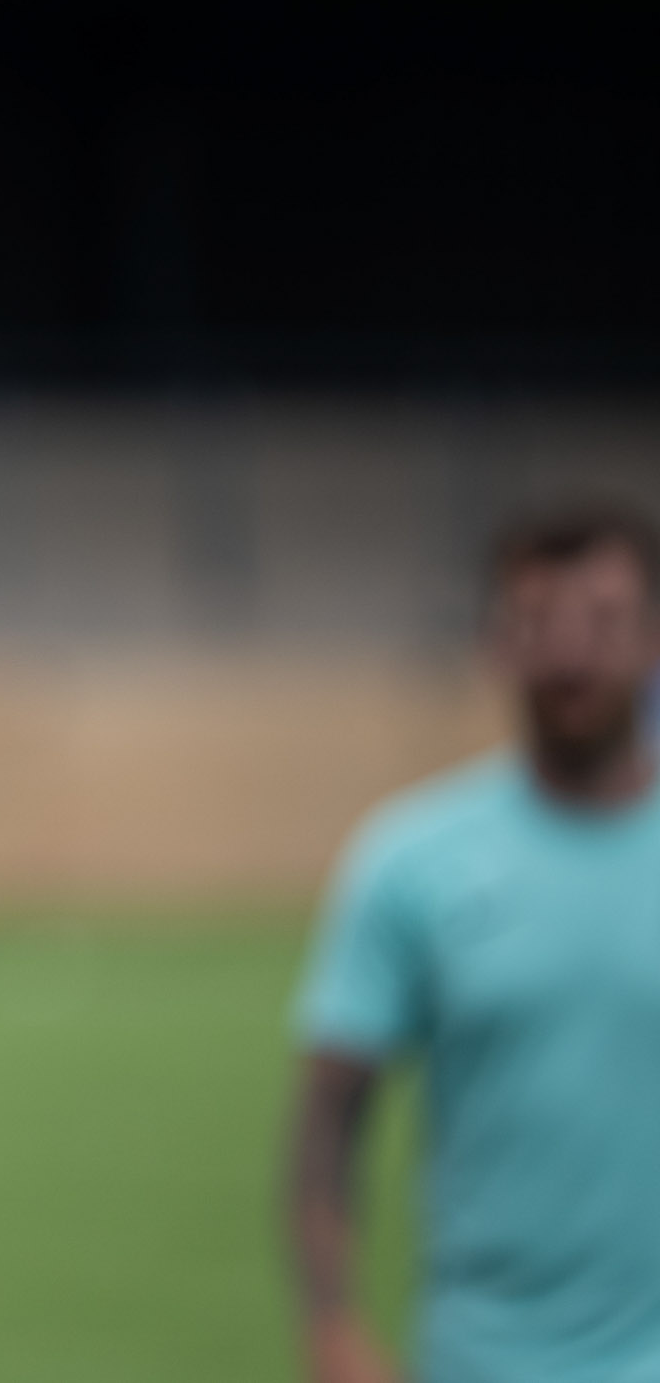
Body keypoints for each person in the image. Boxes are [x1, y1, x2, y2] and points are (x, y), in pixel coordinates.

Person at [289, 501, 660, 1383]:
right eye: (539, 622)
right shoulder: (410, 860)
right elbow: (330, 1116)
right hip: (485, 1359)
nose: (571, 653)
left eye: (605, 622)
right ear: (497, 643)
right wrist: (332, 1321)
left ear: (654, 640)